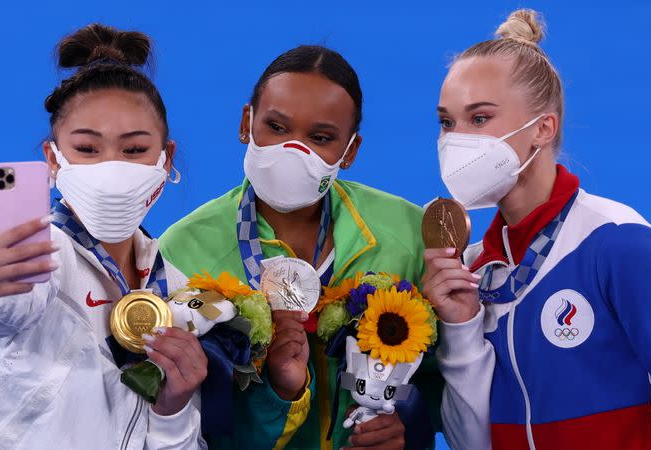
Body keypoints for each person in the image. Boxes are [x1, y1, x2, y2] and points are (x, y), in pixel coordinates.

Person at [0, 24, 207, 449]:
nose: (111, 168)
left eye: (134, 150)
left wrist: (173, 410)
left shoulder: (176, 287)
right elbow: (7, 307)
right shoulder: (42, 254)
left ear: (164, 158)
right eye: (87, 148)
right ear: (53, 159)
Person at [423, 9, 651, 450]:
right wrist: (462, 329)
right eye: (447, 123)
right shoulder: (473, 270)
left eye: (480, 118)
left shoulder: (617, 243)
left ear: (543, 128)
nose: (456, 140)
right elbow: (473, 442)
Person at [159, 45, 442, 450]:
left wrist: (409, 425)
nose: (293, 150)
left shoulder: (408, 232)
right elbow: (181, 415)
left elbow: (440, 381)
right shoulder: (182, 248)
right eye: (276, 127)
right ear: (246, 122)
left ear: (350, 151)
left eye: (320, 138)